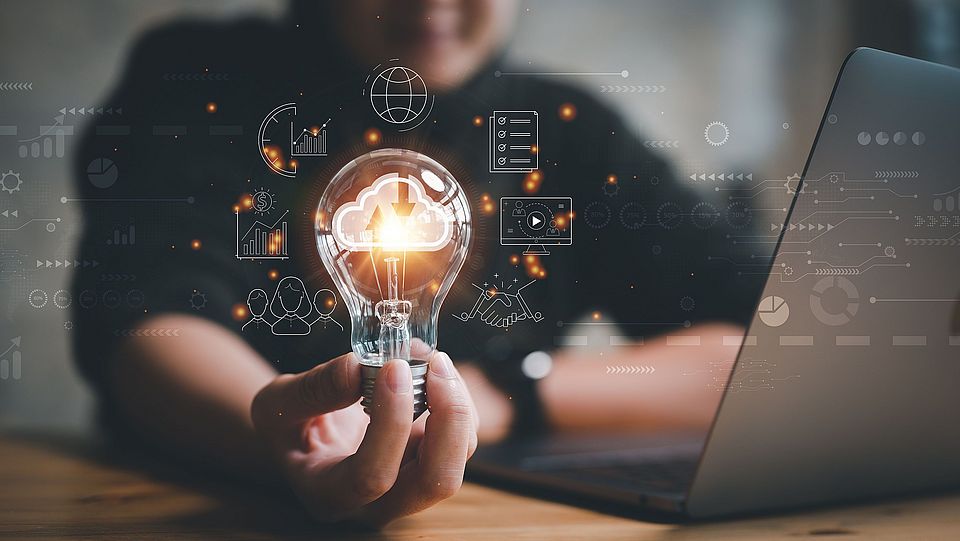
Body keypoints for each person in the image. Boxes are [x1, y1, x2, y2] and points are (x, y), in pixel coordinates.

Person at [71, 0, 761, 526]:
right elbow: (149, 320)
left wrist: (507, 394)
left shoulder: (569, 130)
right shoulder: (201, 81)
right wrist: (291, 434)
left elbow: (767, 346)